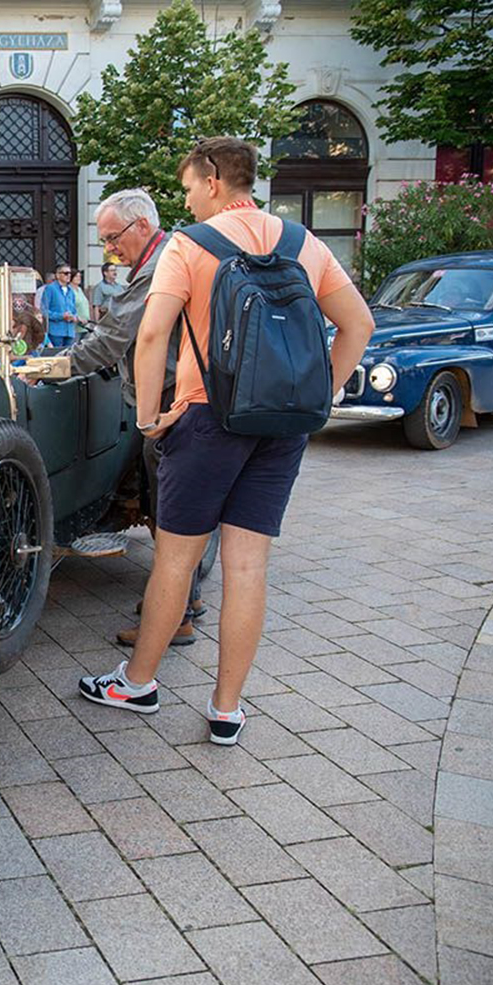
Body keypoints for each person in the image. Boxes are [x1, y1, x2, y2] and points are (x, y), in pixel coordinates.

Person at [79, 137, 375, 746]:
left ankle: (137, 684)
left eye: (188, 186)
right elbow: (359, 324)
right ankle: (226, 708)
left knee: (176, 558)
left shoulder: (190, 244)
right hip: (282, 425)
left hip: (207, 419)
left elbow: (154, 333)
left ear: (213, 180)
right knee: (247, 565)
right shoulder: (302, 242)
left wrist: (151, 417)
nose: (186, 198)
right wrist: (317, 396)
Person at [37, 189, 204, 644]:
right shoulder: (168, 255)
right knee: (172, 503)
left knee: (168, 509)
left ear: (142, 227)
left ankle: (176, 616)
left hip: (171, 401)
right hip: (180, 397)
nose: (109, 248)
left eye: (112, 238)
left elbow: (113, 340)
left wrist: (55, 365)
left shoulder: (157, 267)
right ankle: (183, 598)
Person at [40, 265, 78, 349]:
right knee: (56, 356)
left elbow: (74, 309)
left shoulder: (71, 290)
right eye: (65, 273)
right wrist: (61, 316)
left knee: (69, 357)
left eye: (70, 273)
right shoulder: (50, 289)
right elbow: (44, 310)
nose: (68, 275)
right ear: (57, 275)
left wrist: (74, 317)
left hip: (70, 331)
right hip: (56, 331)